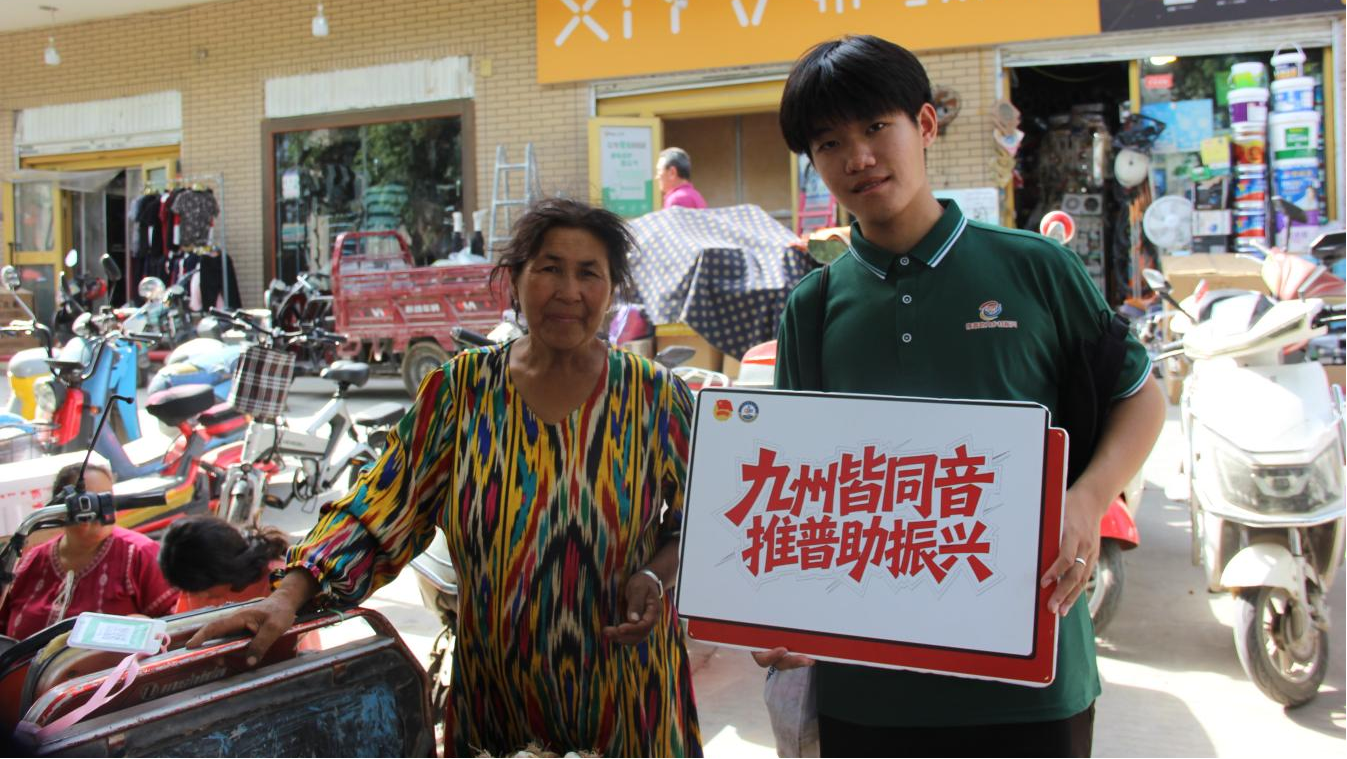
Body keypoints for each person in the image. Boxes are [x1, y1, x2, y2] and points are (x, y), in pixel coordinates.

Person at [753, 36, 1166, 758]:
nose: (858, 158)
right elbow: (797, 487)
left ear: (924, 125)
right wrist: (777, 607)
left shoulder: (1035, 268)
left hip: (1031, 676)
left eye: (876, 127)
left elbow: (1140, 396)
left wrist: (1088, 498)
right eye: (829, 142)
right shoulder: (812, 309)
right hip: (870, 689)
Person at [190, 198, 703, 758]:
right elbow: (383, 505)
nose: (568, 291)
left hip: (628, 693)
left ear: (612, 288)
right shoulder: (462, 391)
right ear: (515, 278)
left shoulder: (653, 395)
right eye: (550, 268)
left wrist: (654, 577)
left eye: (589, 273)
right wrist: (288, 595)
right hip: (500, 695)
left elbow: (705, 520)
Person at [0, 463, 179, 640]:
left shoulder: (140, 554)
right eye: (88, 502)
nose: (102, 510)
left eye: (107, 499)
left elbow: (177, 625)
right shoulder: (32, 560)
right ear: (61, 508)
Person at [158, 516, 291, 613]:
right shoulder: (194, 585)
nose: (199, 596)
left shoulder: (279, 579)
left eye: (203, 590)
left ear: (225, 570)